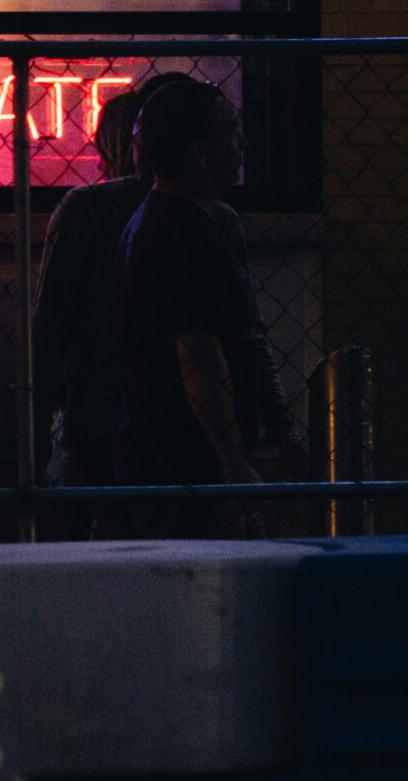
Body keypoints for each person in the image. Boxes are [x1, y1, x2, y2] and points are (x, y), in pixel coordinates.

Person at [35, 74, 301, 512]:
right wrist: (270, 436)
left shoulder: (105, 215)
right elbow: (220, 343)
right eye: (229, 133)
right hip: (152, 442)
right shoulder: (191, 222)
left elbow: (48, 333)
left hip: (116, 431)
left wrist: (37, 436)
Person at [116, 78, 258, 539]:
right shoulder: (189, 236)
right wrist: (231, 460)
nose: (242, 142)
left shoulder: (150, 224)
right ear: (199, 151)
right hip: (189, 465)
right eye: (232, 130)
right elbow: (198, 355)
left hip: (157, 452)